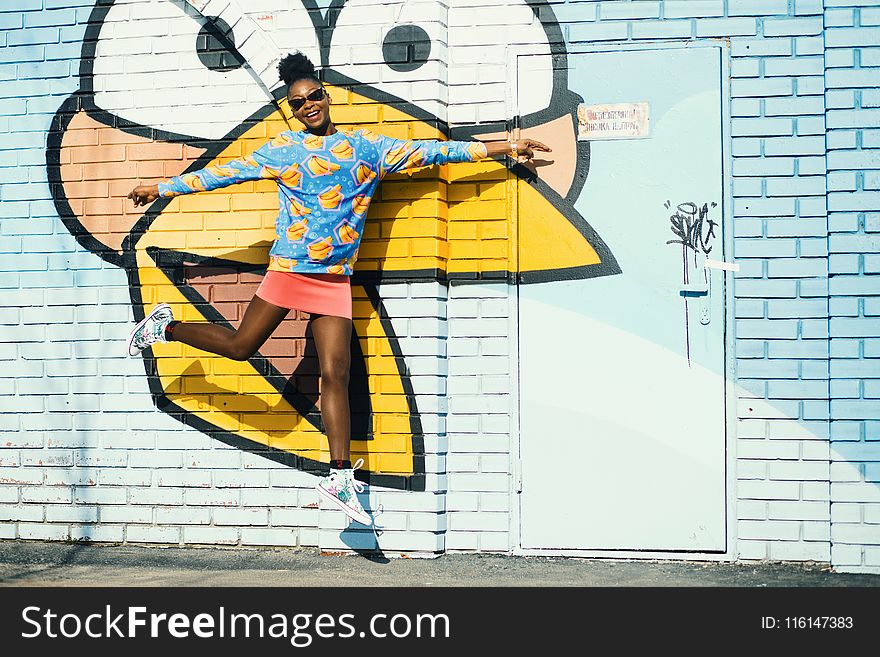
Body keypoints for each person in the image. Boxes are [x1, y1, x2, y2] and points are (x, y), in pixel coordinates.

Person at [126, 52, 550, 526]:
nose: (308, 105)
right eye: (298, 102)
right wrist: (161, 188)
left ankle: (339, 475)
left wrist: (505, 146)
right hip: (289, 270)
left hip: (335, 279)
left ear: (327, 97)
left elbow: (436, 152)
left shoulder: (367, 147)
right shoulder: (284, 150)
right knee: (241, 346)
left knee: (336, 372)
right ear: (291, 110)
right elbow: (222, 174)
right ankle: (169, 326)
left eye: (314, 96)